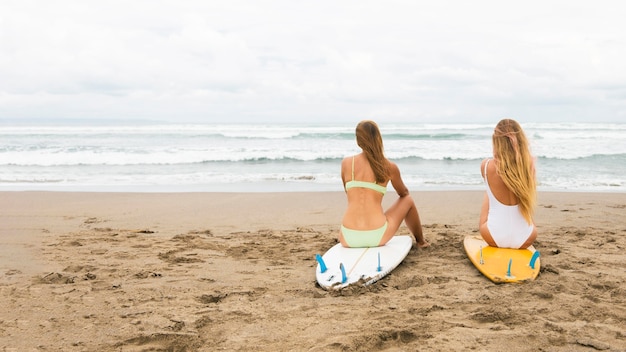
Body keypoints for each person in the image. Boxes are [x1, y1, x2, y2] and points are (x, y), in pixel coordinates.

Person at [339, 120, 429, 248]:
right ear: (378, 139)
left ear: (358, 141)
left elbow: (349, 193)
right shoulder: (388, 167)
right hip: (377, 235)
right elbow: (403, 193)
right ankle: (421, 242)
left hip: (348, 237)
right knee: (407, 200)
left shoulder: (346, 163)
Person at [479, 118, 537, 249]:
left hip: (493, 236)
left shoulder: (486, 165)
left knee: (489, 189)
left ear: (496, 141)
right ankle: (522, 228)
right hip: (526, 238)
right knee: (525, 199)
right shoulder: (529, 166)